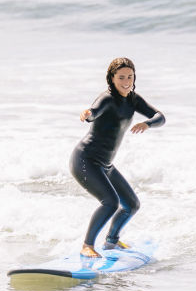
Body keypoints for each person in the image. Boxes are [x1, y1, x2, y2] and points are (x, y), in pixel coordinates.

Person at [70, 57, 165, 258]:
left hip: (105, 164)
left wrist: (148, 124)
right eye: (121, 77)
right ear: (112, 78)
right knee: (110, 202)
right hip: (85, 160)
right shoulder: (106, 99)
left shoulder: (133, 99)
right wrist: (87, 114)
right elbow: (94, 112)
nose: (126, 81)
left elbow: (160, 117)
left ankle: (111, 242)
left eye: (130, 77)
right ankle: (87, 245)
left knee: (132, 205)